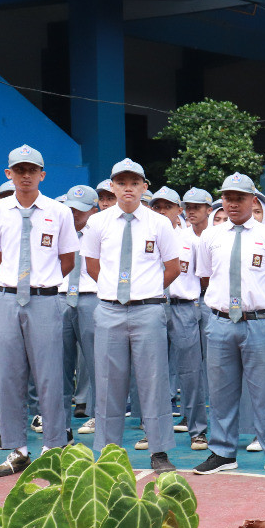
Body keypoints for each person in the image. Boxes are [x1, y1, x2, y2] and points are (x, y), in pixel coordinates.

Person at [0, 145, 80, 476]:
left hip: (45, 300)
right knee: (8, 375)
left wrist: (41, 284)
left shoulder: (59, 212)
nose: (25, 175)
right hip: (7, 298)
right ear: (8, 174)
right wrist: (17, 284)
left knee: (50, 375)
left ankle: (52, 449)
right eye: (19, 170)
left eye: (31, 170)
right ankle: (17, 450)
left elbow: (67, 259)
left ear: (42, 175)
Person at [194, 172, 265, 477]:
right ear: (222, 201)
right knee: (221, 391)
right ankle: (223, 452)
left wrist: (262, 301)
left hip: (258, 323)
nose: (233, 203)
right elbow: (204, 277)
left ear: (253, 200)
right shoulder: (210, 237)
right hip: (220, 323)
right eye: (228, 197)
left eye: (240, 198)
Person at [81, 160, 180, 471]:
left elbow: (173, 268)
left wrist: (145, 291)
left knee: (154, 381)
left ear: (144, 187)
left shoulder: (159, 223)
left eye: (134, 182)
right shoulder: (98, 223)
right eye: (121, 182)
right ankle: (109, 452)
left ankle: (159, 451)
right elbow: (92, 267)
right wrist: (115, 292)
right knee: (108, 382)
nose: (127, 187)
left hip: (148, 310)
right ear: (111, 186)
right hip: (109, 309)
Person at [171, 188, 212, 450]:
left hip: (211, 303)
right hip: (184, 305)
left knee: (220, 368)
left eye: (198, 206)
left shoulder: (218, 236)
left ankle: (221, 428)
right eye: (189, 206)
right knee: (189, 371)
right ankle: (197, 428)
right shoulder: (177, 238)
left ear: (210, 209)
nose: (192, 210)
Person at [60, 186, 101, 439]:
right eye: (70, 208)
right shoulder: (57, 231)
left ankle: (100, 417)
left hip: (91, 298)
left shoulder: (99, 233)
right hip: (60, 297)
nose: (74, 213)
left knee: (98, 365)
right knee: (59, 366)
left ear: (93, 210)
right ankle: (60, 424)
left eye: (80, 209)